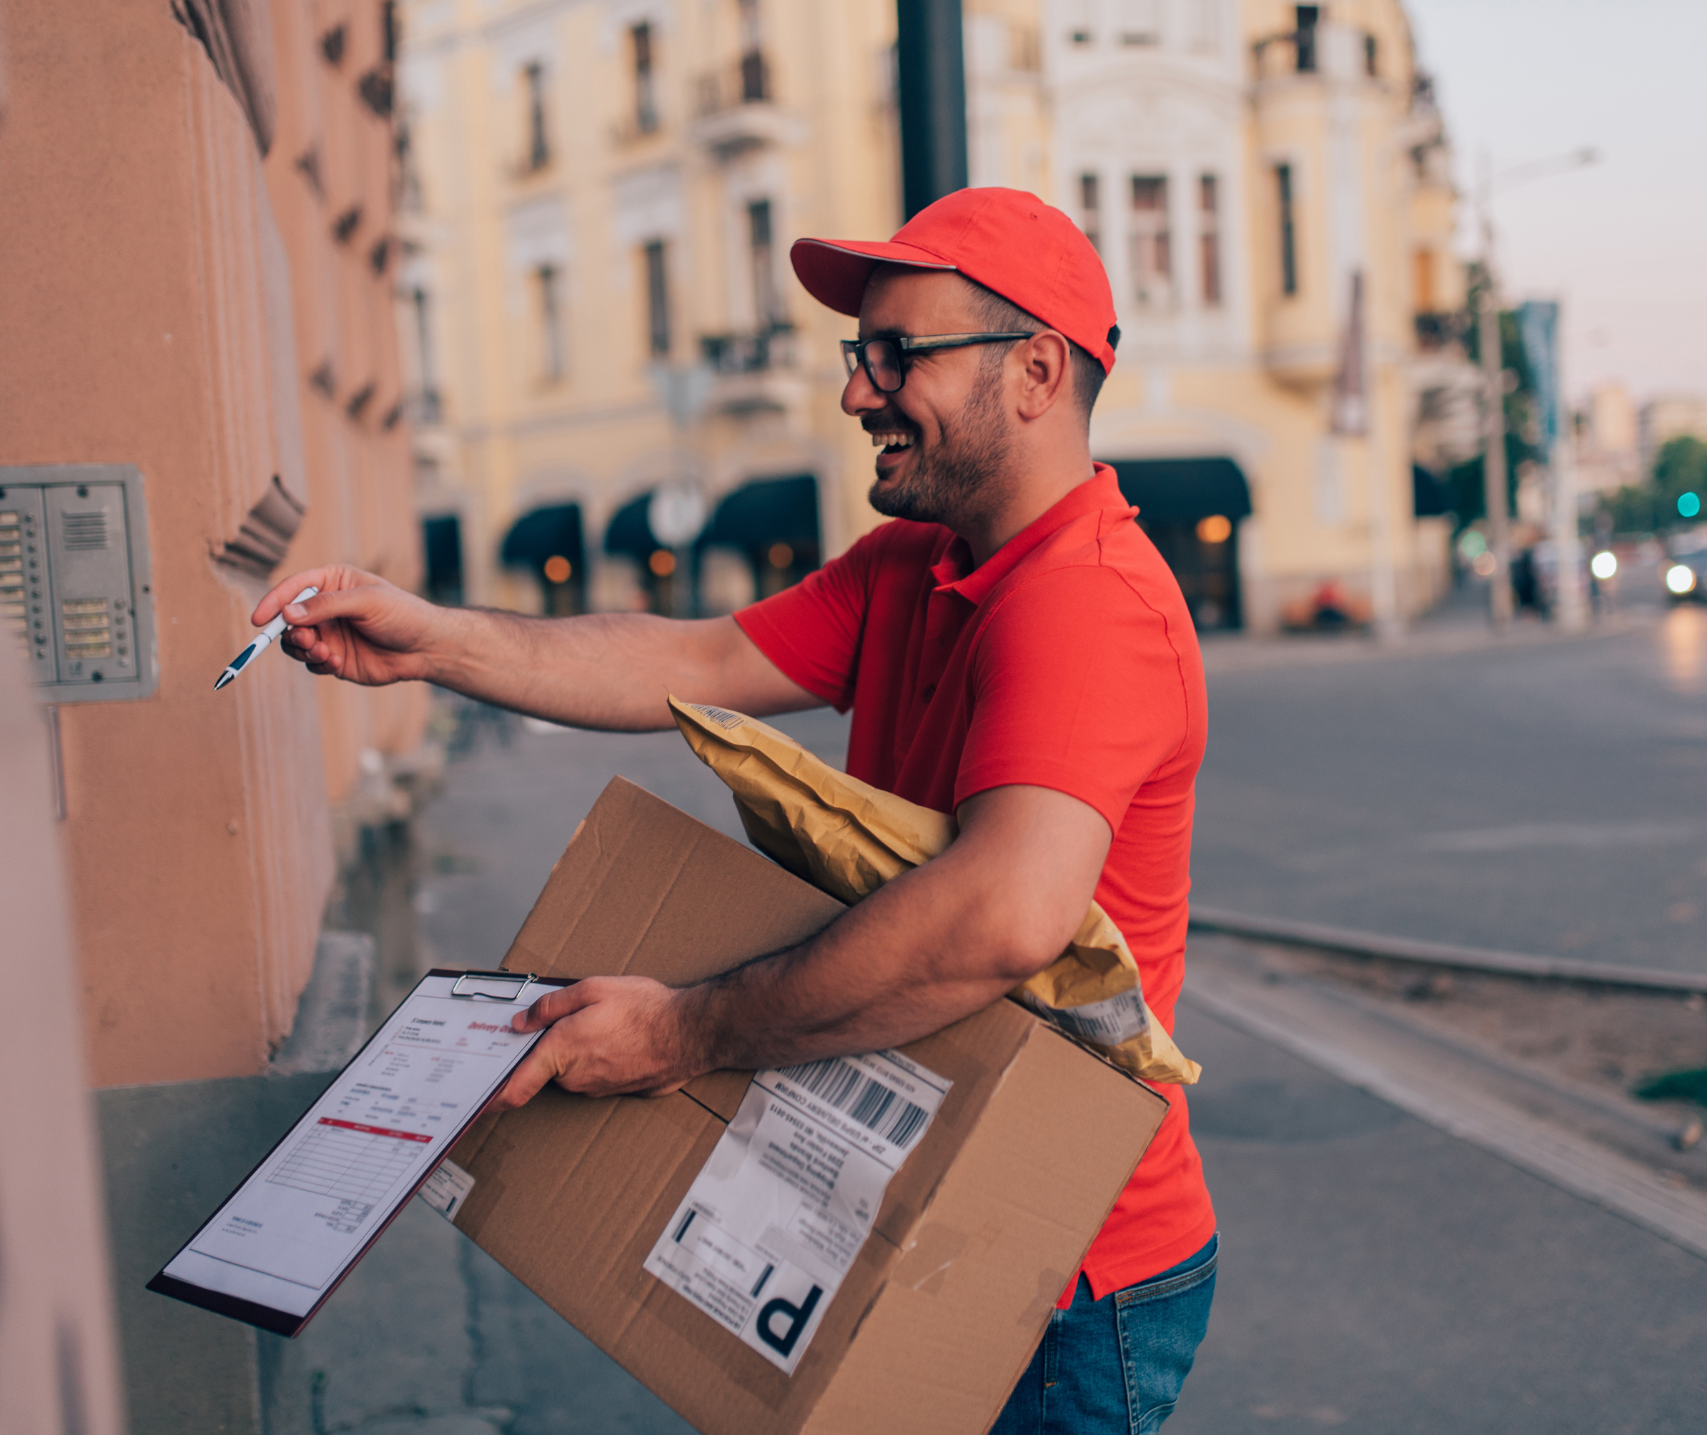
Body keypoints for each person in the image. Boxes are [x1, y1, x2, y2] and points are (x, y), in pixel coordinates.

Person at [256, 186, 1216, 1435]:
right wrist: (437, 641)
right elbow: (697, 665)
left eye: (895, 355)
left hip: (1060, 1269)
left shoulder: (1086, 601)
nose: (857, 393)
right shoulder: (910, 566)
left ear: (1035, 371)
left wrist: (679, 1034)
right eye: (855, 355)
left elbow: (1002, 917)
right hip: (921, 1183)